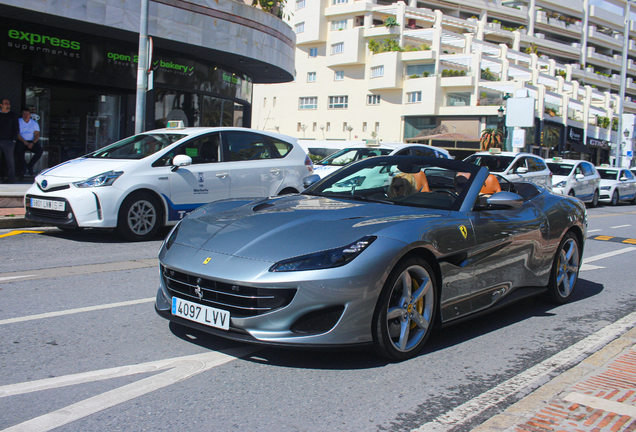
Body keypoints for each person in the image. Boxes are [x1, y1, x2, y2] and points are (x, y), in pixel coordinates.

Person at [16, 107, 43, 177]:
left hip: (31, 141)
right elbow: (16, 133)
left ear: (30, 115)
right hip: (21, 141)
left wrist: (33, 143)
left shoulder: (34, 123)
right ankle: (23, 165)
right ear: (22, 114)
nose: (26, 115)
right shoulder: (18, 121)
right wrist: (24, 142)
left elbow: (37, 134)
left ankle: (30, 165)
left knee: (39, 151)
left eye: (27, 114)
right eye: (24, 114)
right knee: (17, 150)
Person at [0, 98, 19, 183]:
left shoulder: (12, 115)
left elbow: (16, 129)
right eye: (6, 103)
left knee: (10, 161)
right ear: (1, 105)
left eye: (9, 103)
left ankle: (11, 179)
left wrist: (14, 140)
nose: (8, 105)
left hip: (8, 141)